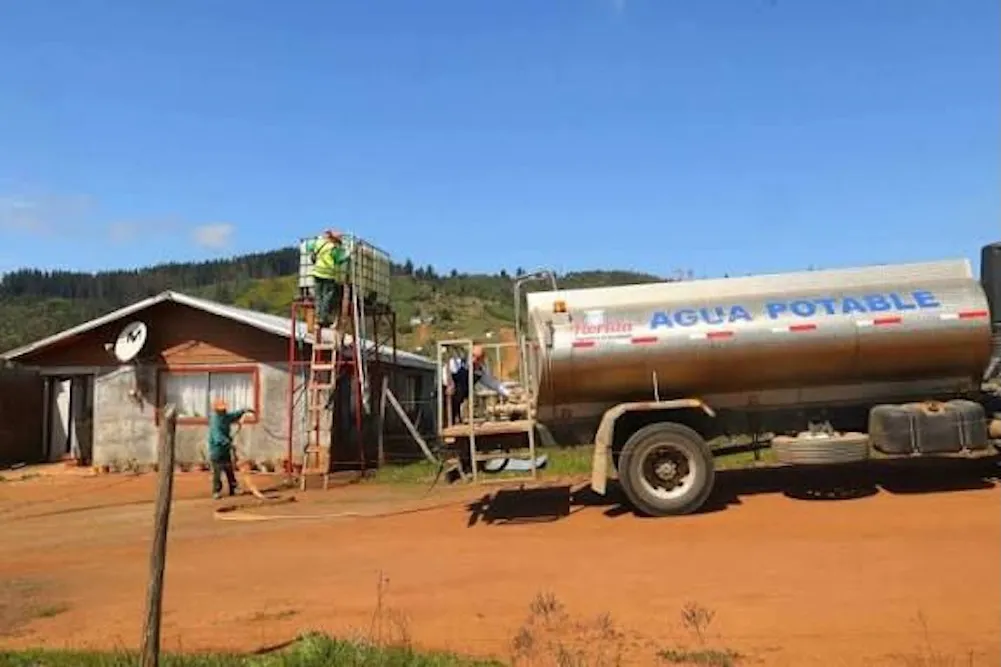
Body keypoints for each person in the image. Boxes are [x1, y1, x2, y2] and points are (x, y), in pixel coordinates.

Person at [445, 345, 510, 424]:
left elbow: (494, 384)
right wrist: (449, 383)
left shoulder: (479, 372)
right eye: (473, 356)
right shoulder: (456, 364)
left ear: (482, 360)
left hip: (458, 401)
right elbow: (444, 372)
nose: (474, 360)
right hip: (445, 400)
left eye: (478, 358)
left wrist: (509, 393)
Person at [304, 229, 353, 330]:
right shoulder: (333, 248)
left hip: (317, 273)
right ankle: (323, 318)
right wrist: (349, 254)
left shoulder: (318, 243)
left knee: (318, 297)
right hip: (328, 276)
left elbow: (307, 246)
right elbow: (339, 259)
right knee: (327, 297)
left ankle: (318, 318)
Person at [207, 398, 254, 500]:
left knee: (229, 469)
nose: (224, 411)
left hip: (225, 449)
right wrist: (228, 442)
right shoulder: (215, 421)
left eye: (224, 409)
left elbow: (234, 415)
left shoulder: (226, 417)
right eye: (221, 410)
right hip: (216, 451)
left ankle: (233, 488)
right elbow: (217, 437)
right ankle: (216, 491)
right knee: (217, 472)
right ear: (217, 411)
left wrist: (244, 411)